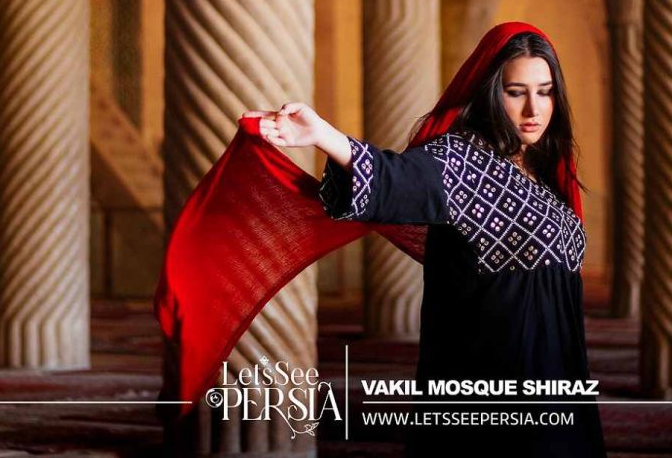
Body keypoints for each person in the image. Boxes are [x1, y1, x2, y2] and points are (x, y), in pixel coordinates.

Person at [245, 25, 607, 457]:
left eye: (545, 92)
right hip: (490, 379)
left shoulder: (549, 172)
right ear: (491, 93)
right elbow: (394, 178)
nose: (533, 108)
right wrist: (323, 134)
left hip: (560, 378)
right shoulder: (459, 159)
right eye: (516, 92)